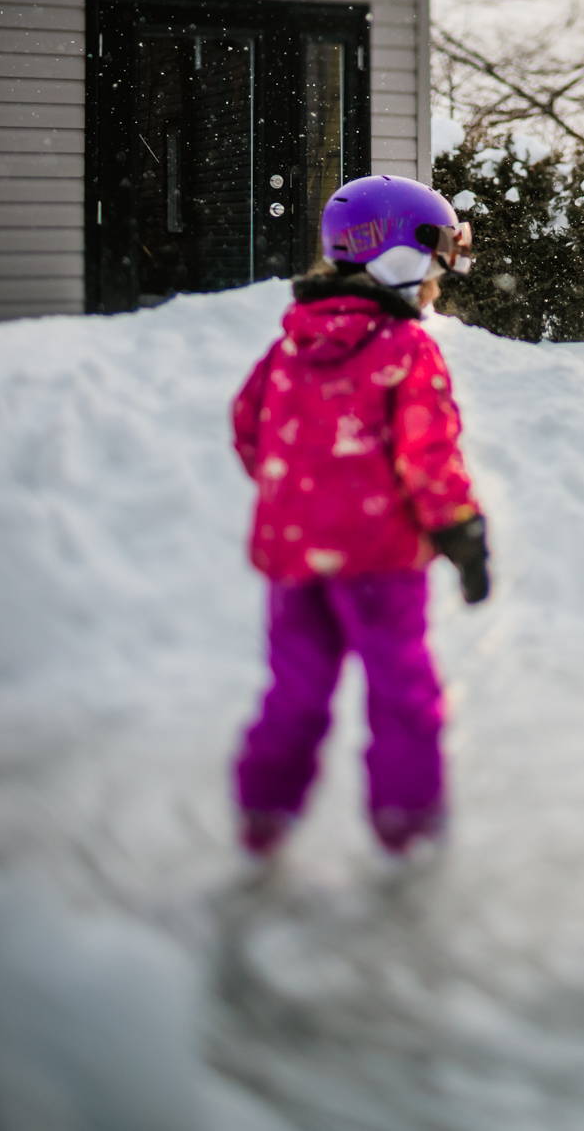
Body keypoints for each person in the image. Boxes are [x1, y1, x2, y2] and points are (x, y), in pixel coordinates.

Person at [229, 175, 491, 861]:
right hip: (379, 561)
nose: (436, 280)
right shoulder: (407, 349)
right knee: (401, 688)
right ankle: (407, 821)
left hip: (294, 559)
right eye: (433, 262)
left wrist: (301, 498)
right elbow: (429, 457)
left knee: (296, 688)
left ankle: (263, 811)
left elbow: (249, 429)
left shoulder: (289, 345)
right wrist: (461, 532)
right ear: (398, 256)